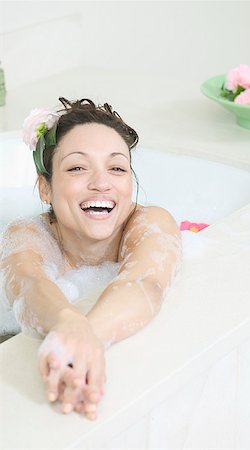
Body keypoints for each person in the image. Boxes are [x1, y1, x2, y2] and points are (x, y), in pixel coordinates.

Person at [0, 98, 181, 420]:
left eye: (116, 168)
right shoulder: (27, 233)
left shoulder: (149, 223)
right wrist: (67, 321)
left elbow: (145, 281)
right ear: (45, 188)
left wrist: (85, 337)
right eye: (77, 168)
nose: (101, 183)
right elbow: (29, 282)